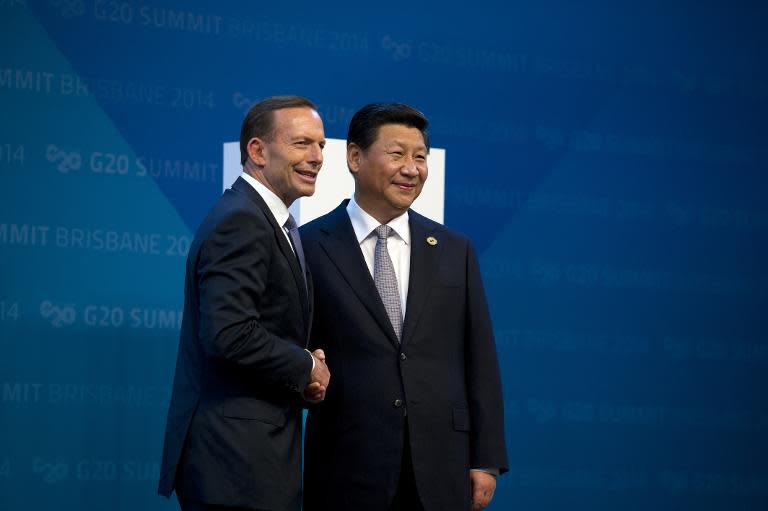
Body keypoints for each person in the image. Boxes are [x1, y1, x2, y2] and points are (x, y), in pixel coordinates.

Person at [301, 103, 508, 511]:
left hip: (440, 467)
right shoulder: (309, 246)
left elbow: (479, 358)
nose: (412, 169)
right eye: (397, 154)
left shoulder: (454, 250)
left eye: (420, 157)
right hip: (347, 465)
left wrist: (486, 460)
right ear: (355, 158)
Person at [158, 95, 330, 511]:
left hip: (251, 460)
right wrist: (305, 365)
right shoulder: (242, 219)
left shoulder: (273, 221)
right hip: (233, 463)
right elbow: (229, 333)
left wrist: (302, 373)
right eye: (302, 143)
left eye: (321, 145)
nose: (318, 157)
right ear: (256, 151)